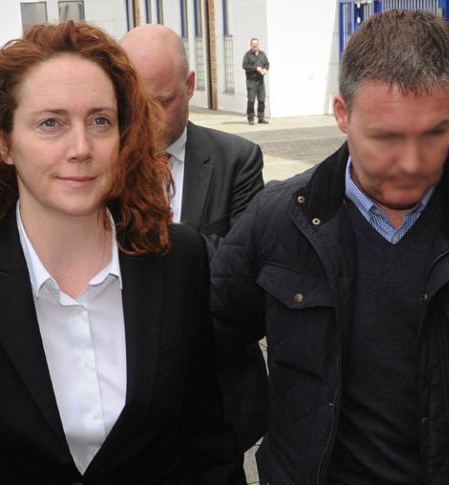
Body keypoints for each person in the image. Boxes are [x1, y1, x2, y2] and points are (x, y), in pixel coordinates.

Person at [0, 20, 241, 484]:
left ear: (123, 136)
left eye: (100, 121)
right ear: (3, 142)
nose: (81, 148)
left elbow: (207, 442)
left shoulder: (177, 259)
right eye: (50, 123)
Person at [211, 9, 449, 485]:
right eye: (386, 138)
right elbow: (208, 338)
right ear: (342, 114)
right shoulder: (278, 219)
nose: (411, 164)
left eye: (435, 134)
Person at [121, 23, 268, 479]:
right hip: (126, 406)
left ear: (189, 85)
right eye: (135, 103)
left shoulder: (237, 159)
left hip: (218, 401)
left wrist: (147, 239)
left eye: (162, 102)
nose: (147, 119)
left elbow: (242, 274)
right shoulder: (101, 161)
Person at [242, 37, 270, 125]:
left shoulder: (262, 54)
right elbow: (244, 66)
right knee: (251, 100)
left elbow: (267, 64)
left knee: (262, 100)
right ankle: (250, 118)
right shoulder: (247, 55)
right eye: (253, 44)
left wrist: (265, 69)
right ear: (251, 45)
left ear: (258, 45)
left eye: (256, 44)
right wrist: (256, 68)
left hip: (260, 81)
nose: (255, 45)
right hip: (251, 81)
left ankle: (261, 118)